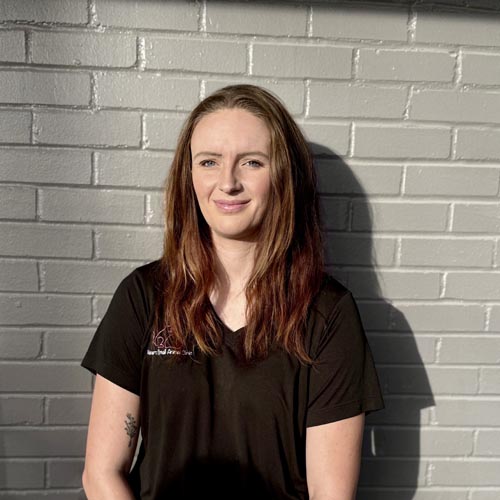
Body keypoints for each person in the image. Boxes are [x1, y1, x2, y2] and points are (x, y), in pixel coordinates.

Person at [81, 84, 384, 499]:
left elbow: (331, 495)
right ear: (188, 176)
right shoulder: (144, 296)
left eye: (252, 163)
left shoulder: (328, 315)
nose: (227, 182)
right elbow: (101, 475)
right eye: (209, 161)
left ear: (284, 176)